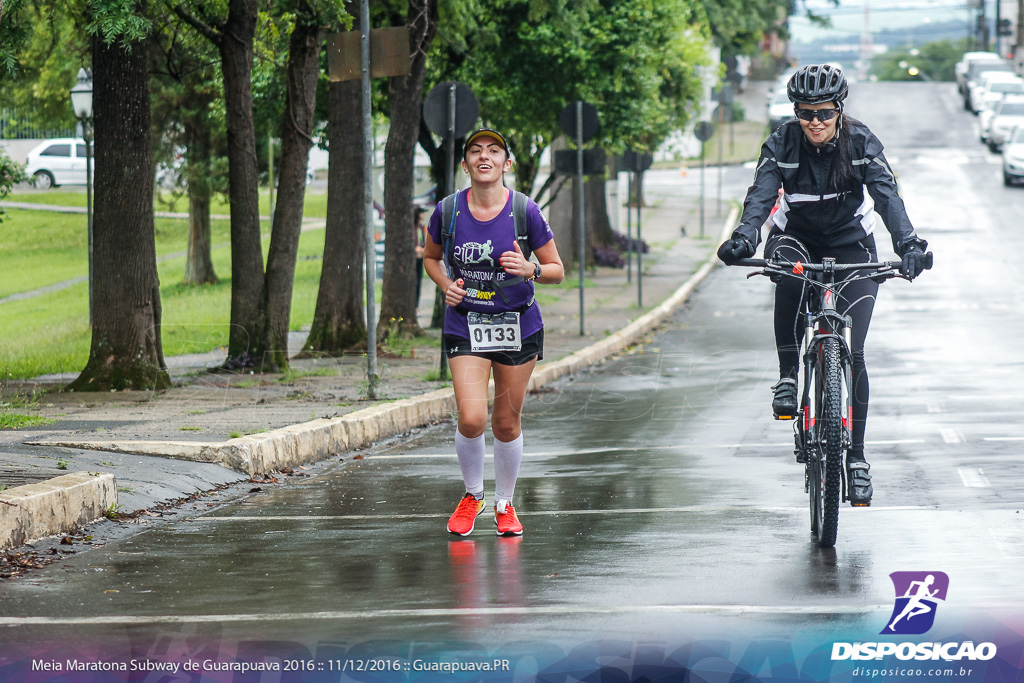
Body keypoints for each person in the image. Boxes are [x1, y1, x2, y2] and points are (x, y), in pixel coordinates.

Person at [716, 64, 929, 507]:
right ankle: (788, 377)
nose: (815, 121)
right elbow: (760, 196)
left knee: (856, 351)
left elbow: (888, 196)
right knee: (789, 279)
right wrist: (743, 237)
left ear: (839, 110)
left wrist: (908, 243)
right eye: (806, 112)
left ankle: (857, 458)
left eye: (824, 113)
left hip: (852, 241)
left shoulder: (862, 142)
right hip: (796, 237)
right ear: (796, 111)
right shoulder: (782, 142)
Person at [422, 128, 564, 537]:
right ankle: (472, 495)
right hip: (466, 323)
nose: (485, 157)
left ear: (507, 163)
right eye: (475, 151)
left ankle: (505, 503)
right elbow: (432, 257)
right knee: (471, 417)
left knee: (505, 422)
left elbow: (556, 269)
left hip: (517, 325)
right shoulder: (448, 211)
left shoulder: (525, 211)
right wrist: (444, 283)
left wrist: (531, 269)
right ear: (465, 164)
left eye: (494, 150)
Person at [414, 206, 428, 307]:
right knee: (412, 283)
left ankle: (416, 307)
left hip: (420, 258)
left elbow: (423, 241)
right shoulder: (412, 227)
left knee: (418, 283)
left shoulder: (421, 227)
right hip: (412, 259)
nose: (424, 215)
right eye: (422, 213)